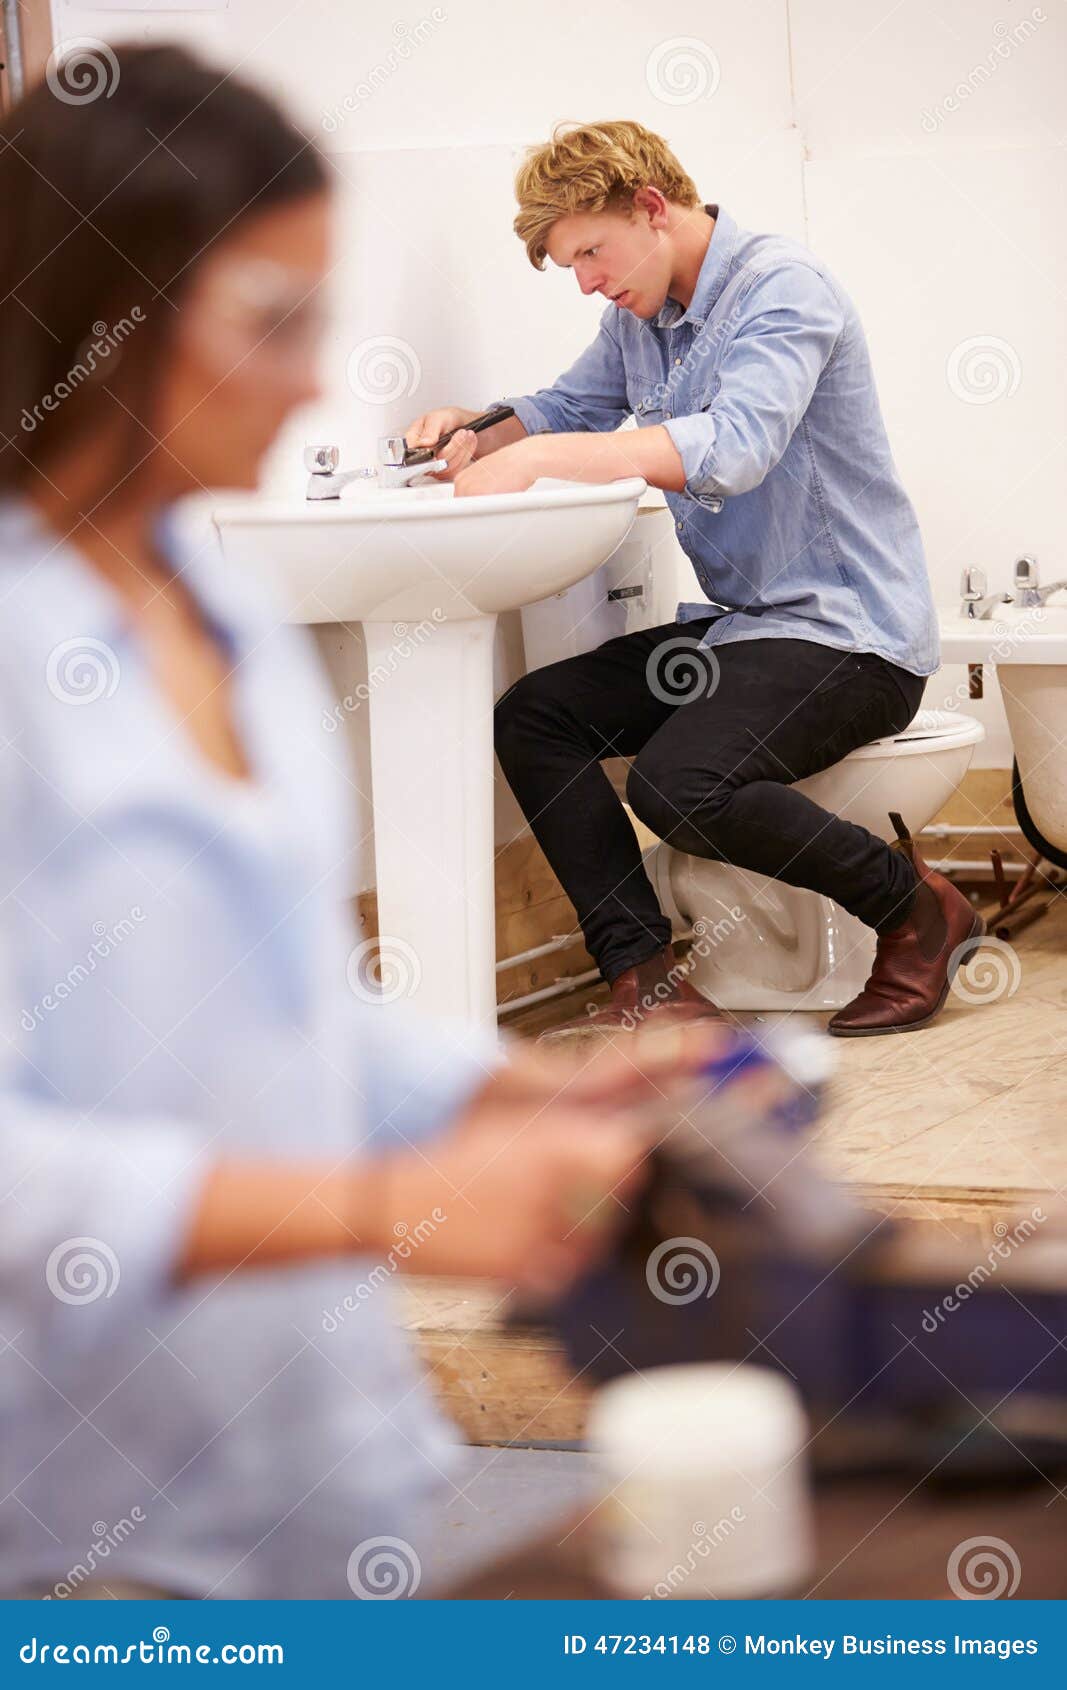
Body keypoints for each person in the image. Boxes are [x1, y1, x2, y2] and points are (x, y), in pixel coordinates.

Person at [0, 50, 718, 1600]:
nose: (308, 375)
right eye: (269, 320)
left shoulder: (230, 623)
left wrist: (520, 1092)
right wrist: (387, 1208)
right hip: (80, 1524)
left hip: (326, 1465)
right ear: (104, 318)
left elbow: (293, 1013)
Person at [406, 121, 982, 1039]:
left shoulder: (784, 291)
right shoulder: (638, 320)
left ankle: (916, 910)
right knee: (534, 716)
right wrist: (482, 429)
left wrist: (545, 456)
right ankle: (648, 983)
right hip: (749, 628)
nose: (588, 279)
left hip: (852, 636)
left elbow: (738, 446)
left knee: (675, 787)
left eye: (591, 251)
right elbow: (565, 405)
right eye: (572, 266)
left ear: (650, 208)